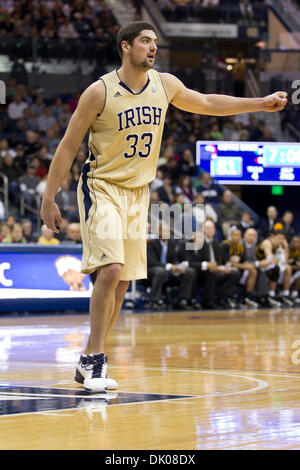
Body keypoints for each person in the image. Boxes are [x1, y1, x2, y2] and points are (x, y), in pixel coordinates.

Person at [40, 21, 287, 393]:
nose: (153, 48)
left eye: (155, 42)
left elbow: (206, 103)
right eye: (144, 41)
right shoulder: (99, 92)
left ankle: (91, 360)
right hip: (102, 187)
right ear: (125, 46)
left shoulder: (165, 84)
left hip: (139, 193)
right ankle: (93, 360)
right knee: (110, 270)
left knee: (122, 282)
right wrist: (48, 196)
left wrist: (259, 104)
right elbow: (68, 145)